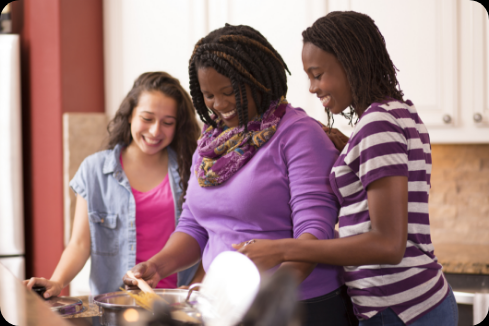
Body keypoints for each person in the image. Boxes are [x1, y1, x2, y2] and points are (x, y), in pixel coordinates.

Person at [123, 24, 357, 326]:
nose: (219, 105)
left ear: (258, 81)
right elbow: (195, 226)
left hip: (297, 307)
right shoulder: (211, 143)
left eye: (228, 91)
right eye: (208, 95)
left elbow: (314, 233)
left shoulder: (299, 135)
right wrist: (158, 265)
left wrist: (269, 300)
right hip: (226, 307)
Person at [235, 11, 458, 326]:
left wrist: (282, 249)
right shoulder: (399, 112)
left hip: (401, 309)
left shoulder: (379, 124)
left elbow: (387, 244)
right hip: (416, 303)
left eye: (318, 74)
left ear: (350, 64)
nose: (312, 87)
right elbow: (369, 221)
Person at [24, 72, 203, 297]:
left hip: (175, 305)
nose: (156, 130)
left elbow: (205, 238)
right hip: (115, 308)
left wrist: (194, 289)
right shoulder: (94, 171)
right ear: (130, 115)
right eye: (147, 118)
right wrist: (57, 282)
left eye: (167, 122)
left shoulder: (192, 170)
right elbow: (79, 244)